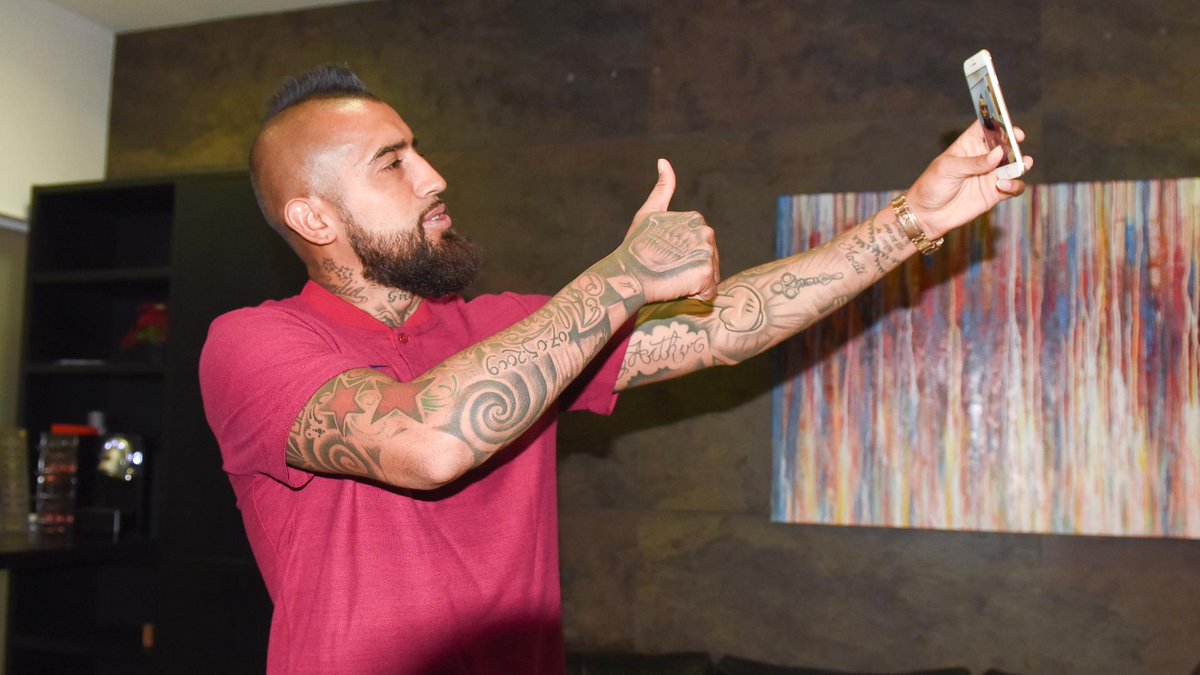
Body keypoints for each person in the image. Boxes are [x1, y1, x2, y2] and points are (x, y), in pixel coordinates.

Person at [199, 64, 1033, 675]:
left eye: (419, 150)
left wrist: (912, 220)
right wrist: (624, 276)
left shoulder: (503, 328)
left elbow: (727, 326)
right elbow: (425, 441)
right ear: (314, 217)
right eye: (392, 162)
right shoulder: (252, 344)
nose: (433, 176)